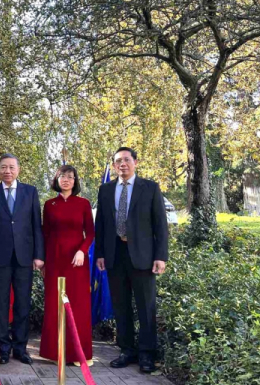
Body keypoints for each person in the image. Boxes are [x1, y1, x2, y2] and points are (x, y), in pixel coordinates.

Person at [94, 147, 168, 373]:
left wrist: (160, 256)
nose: (122, 164)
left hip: (143, 256)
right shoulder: (105, 190)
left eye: (127, 160)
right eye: (118, 161)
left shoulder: (150, 188)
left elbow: (160, 226)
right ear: (114, 166)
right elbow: (101, 226)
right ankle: (127, 350)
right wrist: (100, 254)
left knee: (146, 306)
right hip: (115, 255)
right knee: (121, 305)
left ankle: (146, 354)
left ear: (135, 162)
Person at [0, 153, 45, 365]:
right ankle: (2, 347)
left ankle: (20, 348)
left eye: (11, 167)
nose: (8, 171)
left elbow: (37, 226)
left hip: (25, 257)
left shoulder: (30, 192)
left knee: (23, 304)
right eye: (3, 167)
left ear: (18, 170)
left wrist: (39, 255)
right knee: (0, 304)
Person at [39, 165, 94, 366]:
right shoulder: (49, 204)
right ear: (57, 179)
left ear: (75, 181)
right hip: (54, 260)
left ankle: (80, 354)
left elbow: (91, 233)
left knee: (78, 304)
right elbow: (45, 234)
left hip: (76, 261)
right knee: (55, 304)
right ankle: (55, 352)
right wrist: (43, 260)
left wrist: (82, 251)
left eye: (70, 177)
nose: (66, 180)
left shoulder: (83, 204)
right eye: (62, 176)